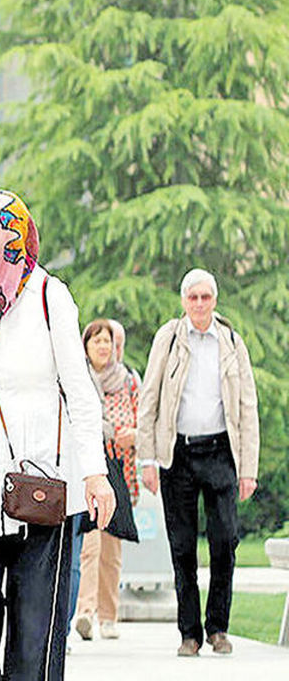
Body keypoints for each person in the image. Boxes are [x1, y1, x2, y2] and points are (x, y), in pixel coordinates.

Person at [0, 190, 114, 680]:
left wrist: (95, 475)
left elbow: (79, 391)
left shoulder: (50, 295)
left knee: (37, 626)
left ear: (9, 239)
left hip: (43, 482)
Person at [136, 268, 259, 658]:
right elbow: (149, 400)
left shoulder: (231, 342)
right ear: (184, 301)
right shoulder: (169, 339)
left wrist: (248, 469)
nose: (200, 304)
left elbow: (247, 406)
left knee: (225, 541)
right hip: (178, 455)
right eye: (194, 298)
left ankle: (218, 628)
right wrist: (147, 459)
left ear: (215, 301)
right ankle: (189, 633)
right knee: (183, 547)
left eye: (206, 297)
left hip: (222, 452)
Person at [72, 319, 140, 642]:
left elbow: (143, 420)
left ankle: (109, 615)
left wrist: (134, 436)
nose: (102, 346)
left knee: (112, 548)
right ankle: (85, 611)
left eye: (107, 341)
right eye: (96, 340)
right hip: (87, 471)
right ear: (85, 346)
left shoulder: (128, 381)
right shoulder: (77, 379)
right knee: (89, 545)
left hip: (119, 470)